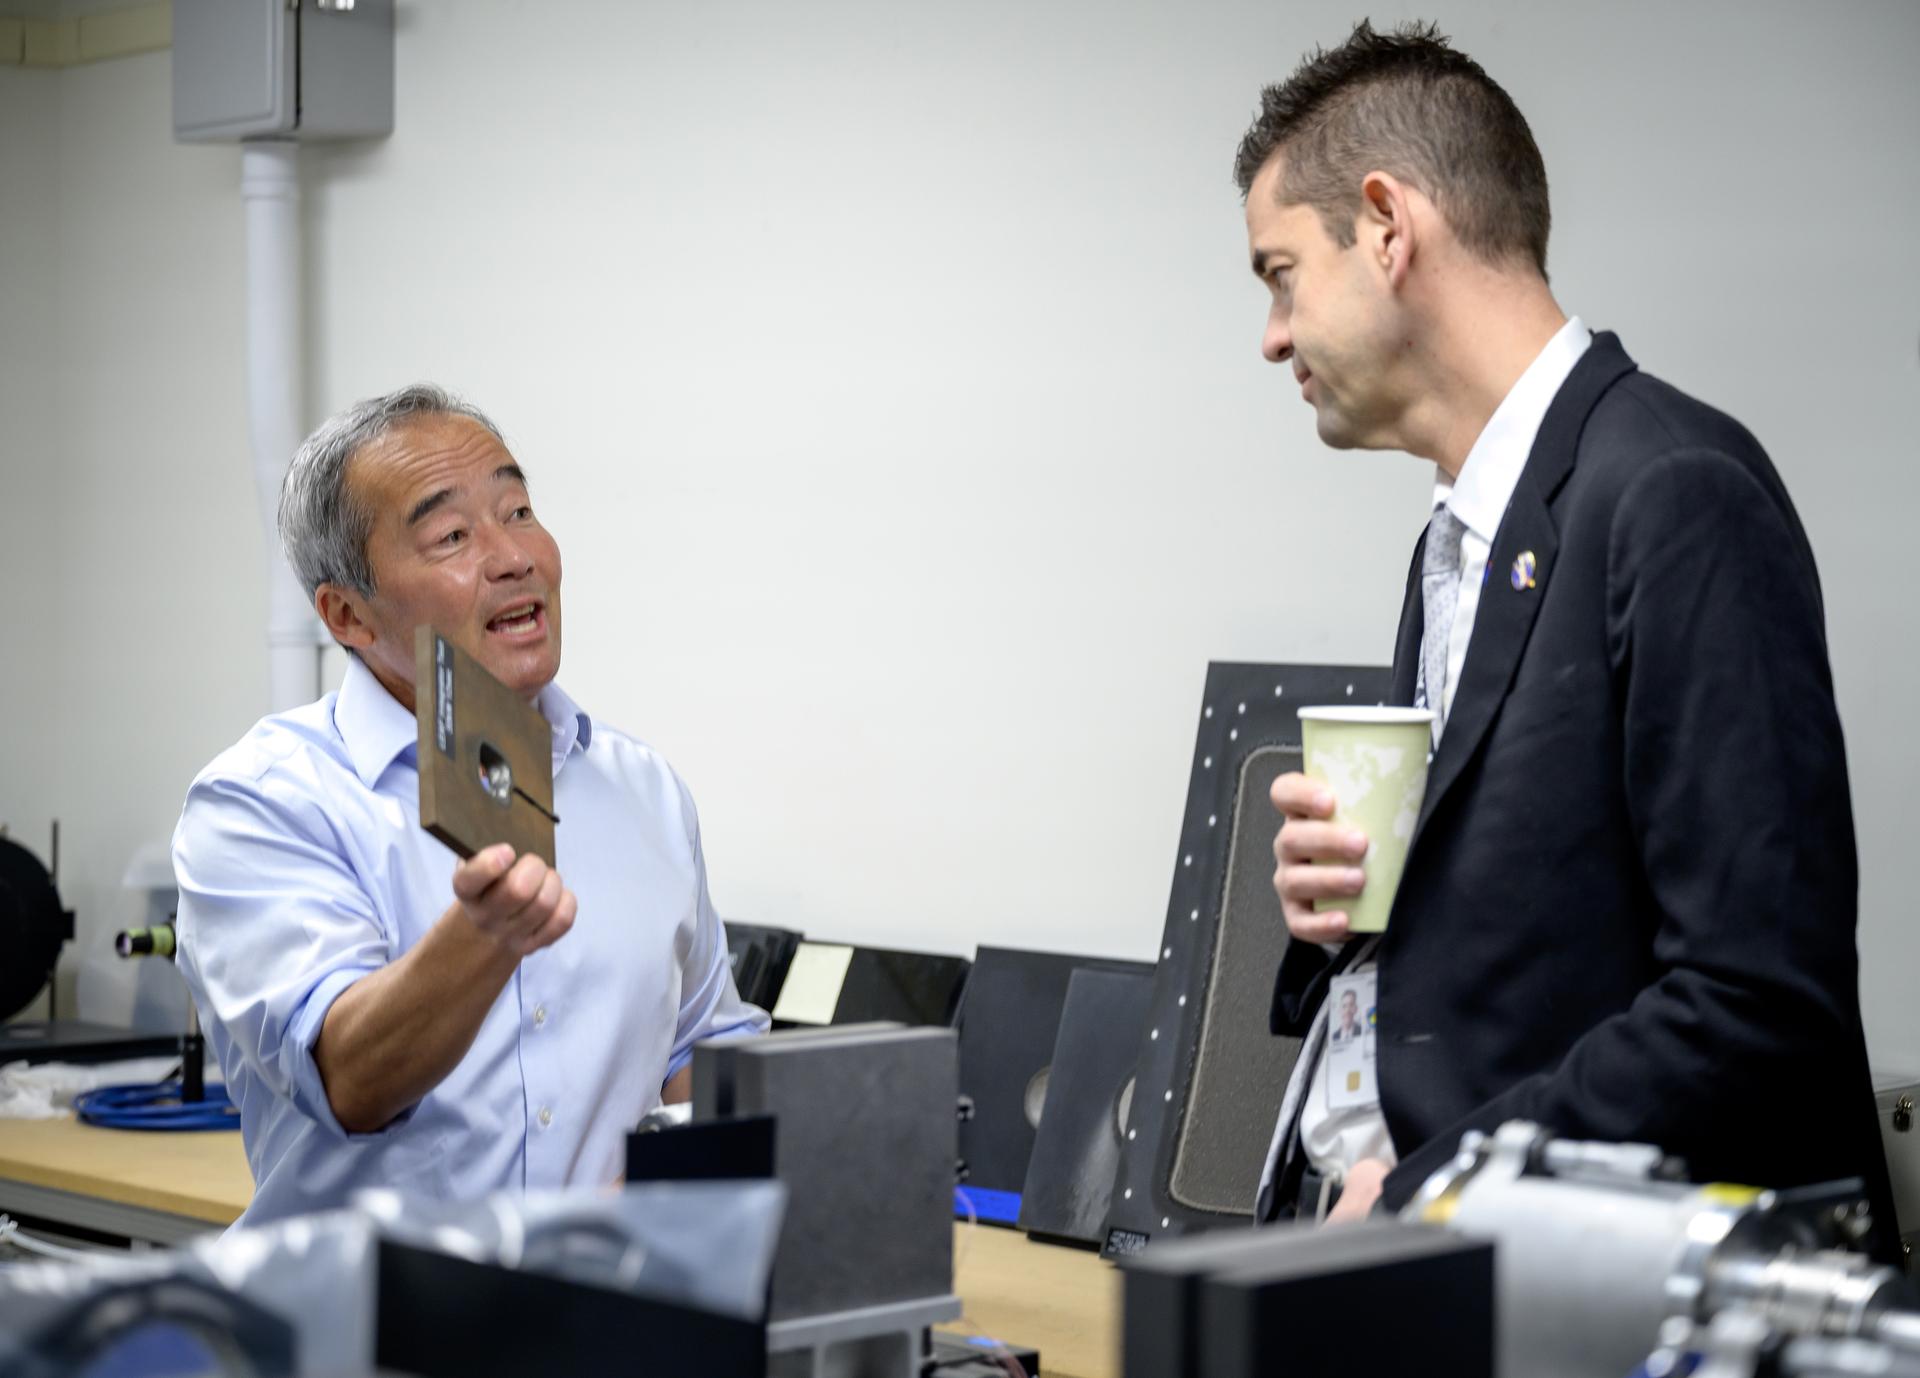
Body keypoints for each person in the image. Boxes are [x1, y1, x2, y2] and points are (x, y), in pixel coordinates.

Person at [1240, 21, 1893, 1248]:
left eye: (1281, 275)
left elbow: (1755, 1007)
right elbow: (1530, 939)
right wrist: (1353, 909)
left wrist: (1432, 1187)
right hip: (1434, 1266)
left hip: (1608, 1293)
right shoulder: (1454, 542)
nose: (1273, 335)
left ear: (1386, 227)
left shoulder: (1677, 493)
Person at [173, 385, 767, 1226]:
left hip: (612, 1294)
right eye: (451, 535)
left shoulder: (644, 790)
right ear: (347, 614)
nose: (513, 556)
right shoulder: (263, 801)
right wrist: (486, 936)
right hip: (378, 1305)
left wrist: (677, 1173)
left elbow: (702, 1046)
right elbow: (348, 1079)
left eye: (518, 511)